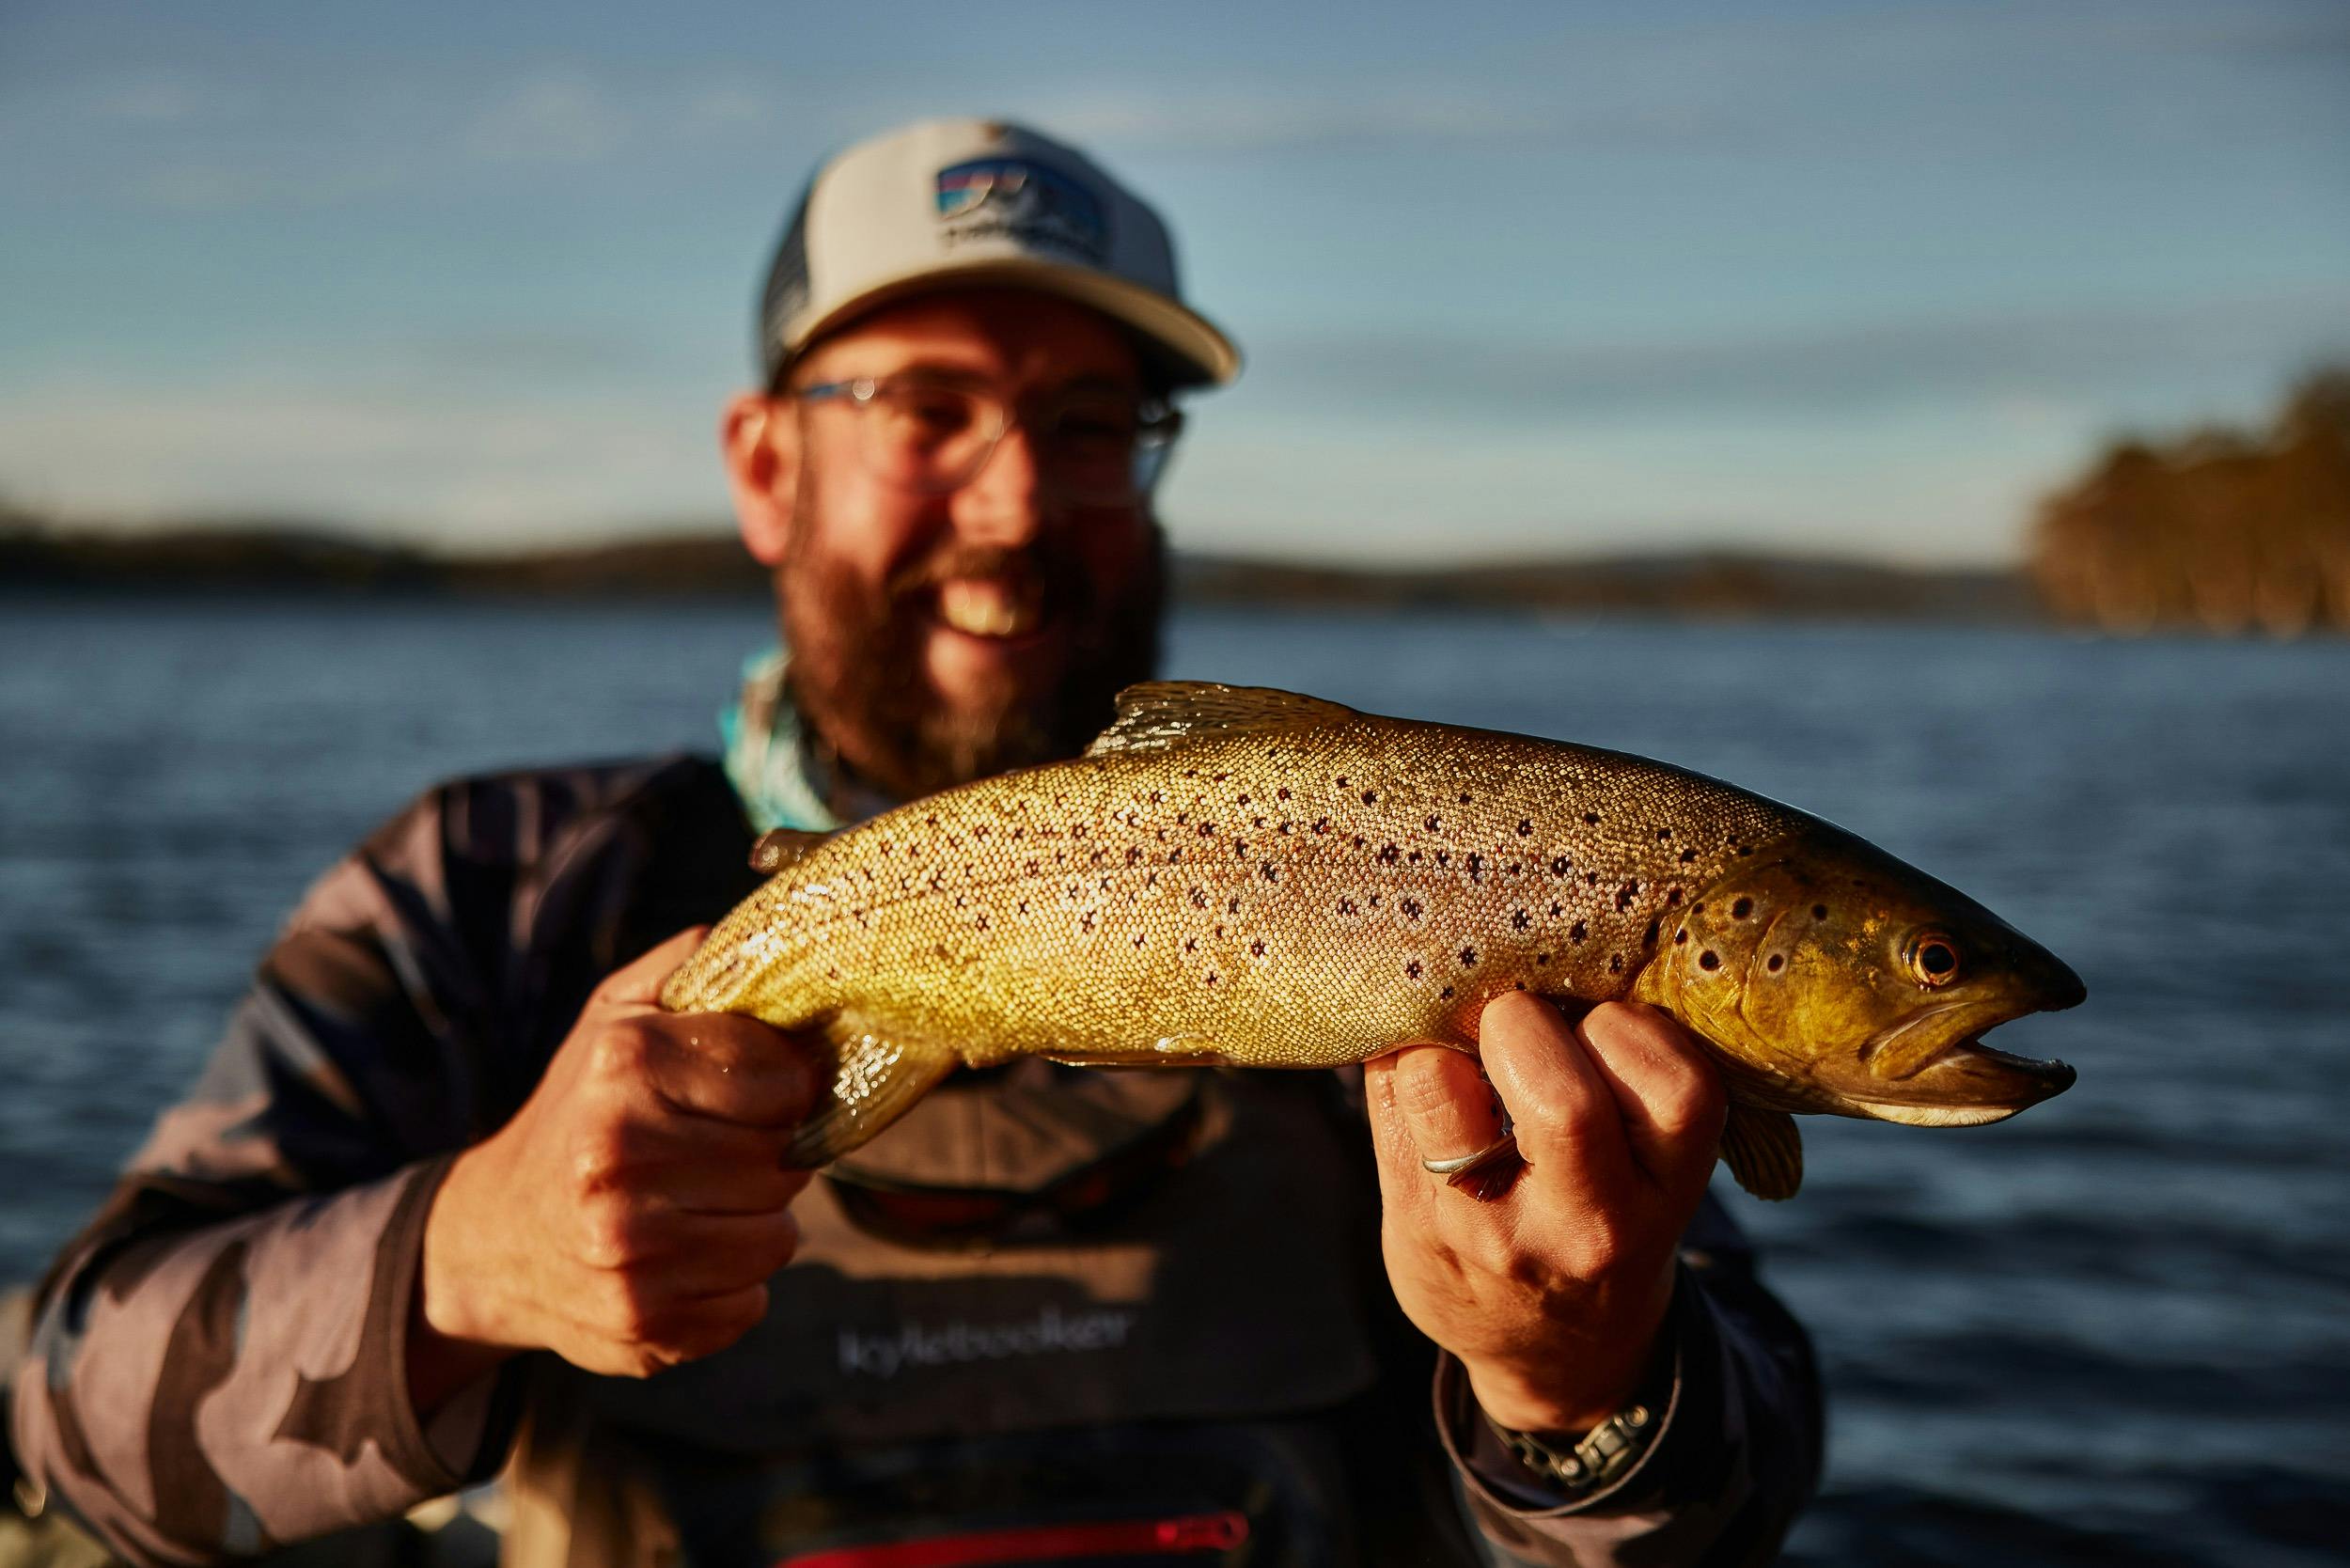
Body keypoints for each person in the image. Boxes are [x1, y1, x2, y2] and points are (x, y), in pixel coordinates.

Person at [8, 118, 1820, 1566]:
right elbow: (71, 1418)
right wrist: (470, 1255)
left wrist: (1571, 1376)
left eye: (1088, 423)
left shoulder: (1425, 886)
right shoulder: (490, 893)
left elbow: (1737, 1495)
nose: (1018, 497)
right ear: (763, 465)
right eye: (926, 411)